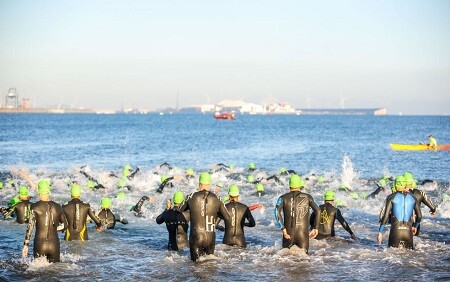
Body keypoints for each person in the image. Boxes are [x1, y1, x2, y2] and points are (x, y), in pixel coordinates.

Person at [178, 172, 230, 261]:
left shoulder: (191, 196)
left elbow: (180, 210)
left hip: (196, 235)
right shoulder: (217, 198)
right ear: (209, 184)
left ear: (199, 184)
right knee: (209, 265)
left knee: (196, 265)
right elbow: (227, 217)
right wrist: (215, 213)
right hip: (210, 236)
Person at [22, 180, 68, 262]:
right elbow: (65, 225)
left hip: (40, 244)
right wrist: (54, 229)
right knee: (55, 271)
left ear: (39, 191)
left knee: (39, 272)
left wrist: (26, 245)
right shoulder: (57, 206)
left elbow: (30, 225)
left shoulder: (34, 206)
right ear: (49, 191)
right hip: (54, 245)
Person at [274, 174, 320, 253]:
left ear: (289, 184)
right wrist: (316, 228)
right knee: (304, 259)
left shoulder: (283, 198)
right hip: (302, 234)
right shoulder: (308, 197)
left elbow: (276, 211)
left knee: (285, 259)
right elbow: (318, 210)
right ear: (300, 184)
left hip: (288, 233)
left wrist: (283, 229)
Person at [377, 176, 422, 249]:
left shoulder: (391, 197)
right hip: (408, 233)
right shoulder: (413, 197)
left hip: (396, 232)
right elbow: (419, 216)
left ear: (395, 185)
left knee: (392, 257)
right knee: (409, 258)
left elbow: (385, 216)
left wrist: (380, 232)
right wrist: (415, 227)